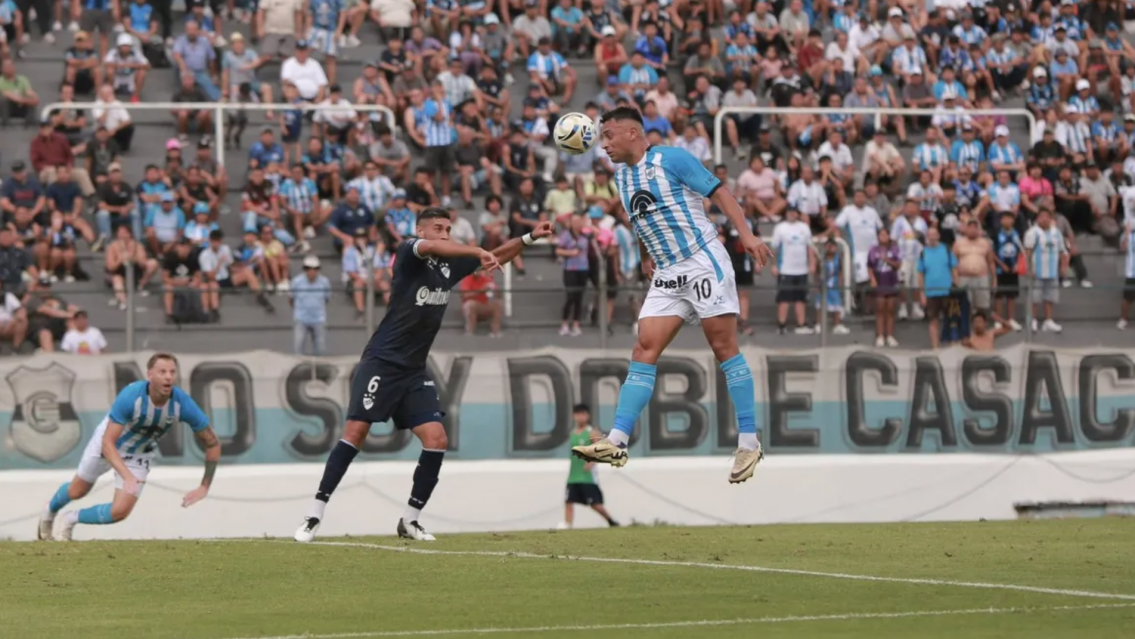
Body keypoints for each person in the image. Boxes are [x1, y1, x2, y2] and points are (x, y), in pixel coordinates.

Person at [293, 209, 554, 543]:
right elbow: (440, 250)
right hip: (381, 362)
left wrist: (530, 238)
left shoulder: (451, 264)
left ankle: (410, 520)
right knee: (356, 433)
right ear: (420, 229)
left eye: (447, 228)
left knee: (437, 439)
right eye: (438, 228)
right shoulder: (409, 251)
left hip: (414, 370)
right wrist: (476, 250)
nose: (444, 233)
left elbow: (496, 256)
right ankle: (315, 513)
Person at [572, 106, 773, 484]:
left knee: (723, 346)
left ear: (632, 133)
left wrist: (746, 237)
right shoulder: (623, 177)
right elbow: (641, 217)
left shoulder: (672, 158)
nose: (604, 146)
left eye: (609, 136)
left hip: (701, 259)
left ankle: (749, 441)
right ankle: (616, 440)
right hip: (667, 272)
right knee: (643, 348)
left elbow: (721, 195)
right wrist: (648, 256)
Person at [37, 353, 220, 541]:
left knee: (120, 512)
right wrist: (126, 476)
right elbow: (108, 443)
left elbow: (212, 443)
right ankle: (49, 511)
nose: (168, 377)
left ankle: (70, 518)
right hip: (109, 444)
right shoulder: (131, 397)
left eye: (172, 372)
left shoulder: (183, 404)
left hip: (139, 452)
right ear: (150, 375)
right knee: (78, 490)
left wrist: (204, 487)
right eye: (162, 371)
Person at [559, 403, 619, 530]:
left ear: (587, 415)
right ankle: (567, 524)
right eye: (577, 414)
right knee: (568, 501)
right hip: (573, 474)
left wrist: (590, 463)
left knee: (595, 504)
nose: (580, 417)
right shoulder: (573, 433)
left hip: (587, 476)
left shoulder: (592, 432)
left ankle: (611, 521)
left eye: (582, 414)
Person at [290, 254, 331, 355]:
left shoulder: (324, 282)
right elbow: (291, 299)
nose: (312, 271)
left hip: (318, 319)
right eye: (309, 268)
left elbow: (326, 298)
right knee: (298, 347)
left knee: (320, 348)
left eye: (315, 268)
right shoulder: (296, 282)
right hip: (301, 319)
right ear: (305, 269)